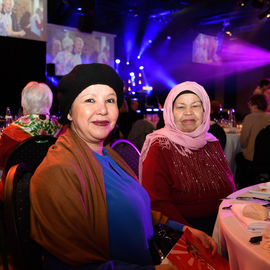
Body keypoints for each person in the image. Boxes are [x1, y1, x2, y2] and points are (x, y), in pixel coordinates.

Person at [30, 64, 217, 270]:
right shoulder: (58, 170)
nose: (103, 110)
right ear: (69, 113)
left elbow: (135, 209)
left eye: (110, 100)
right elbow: (71, 264)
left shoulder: (108, 154)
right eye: (90, 100)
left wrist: (184, 229)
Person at [139, 81, 236, 235]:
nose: (189, 112)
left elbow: (230, 185)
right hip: (183, 231)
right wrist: (189, 232)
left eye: (196, 106)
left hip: (224, 225)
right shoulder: (160, 146)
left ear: (205, 110)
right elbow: (157, 203)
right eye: (181, 107)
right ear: (171, 112)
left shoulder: (211, 142)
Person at [0, 81, 62, 200]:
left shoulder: (10, 133)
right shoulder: (62, 131)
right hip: (52, 191)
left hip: (15, 193)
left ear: (23, 103)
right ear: (49, 103)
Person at [235, 94, 270, 188]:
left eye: (249, 104)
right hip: (268, 159)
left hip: (252, 159)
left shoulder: (249, 118)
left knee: (238, 157)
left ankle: (239, 185)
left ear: (254, 105)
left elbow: (243, 142)